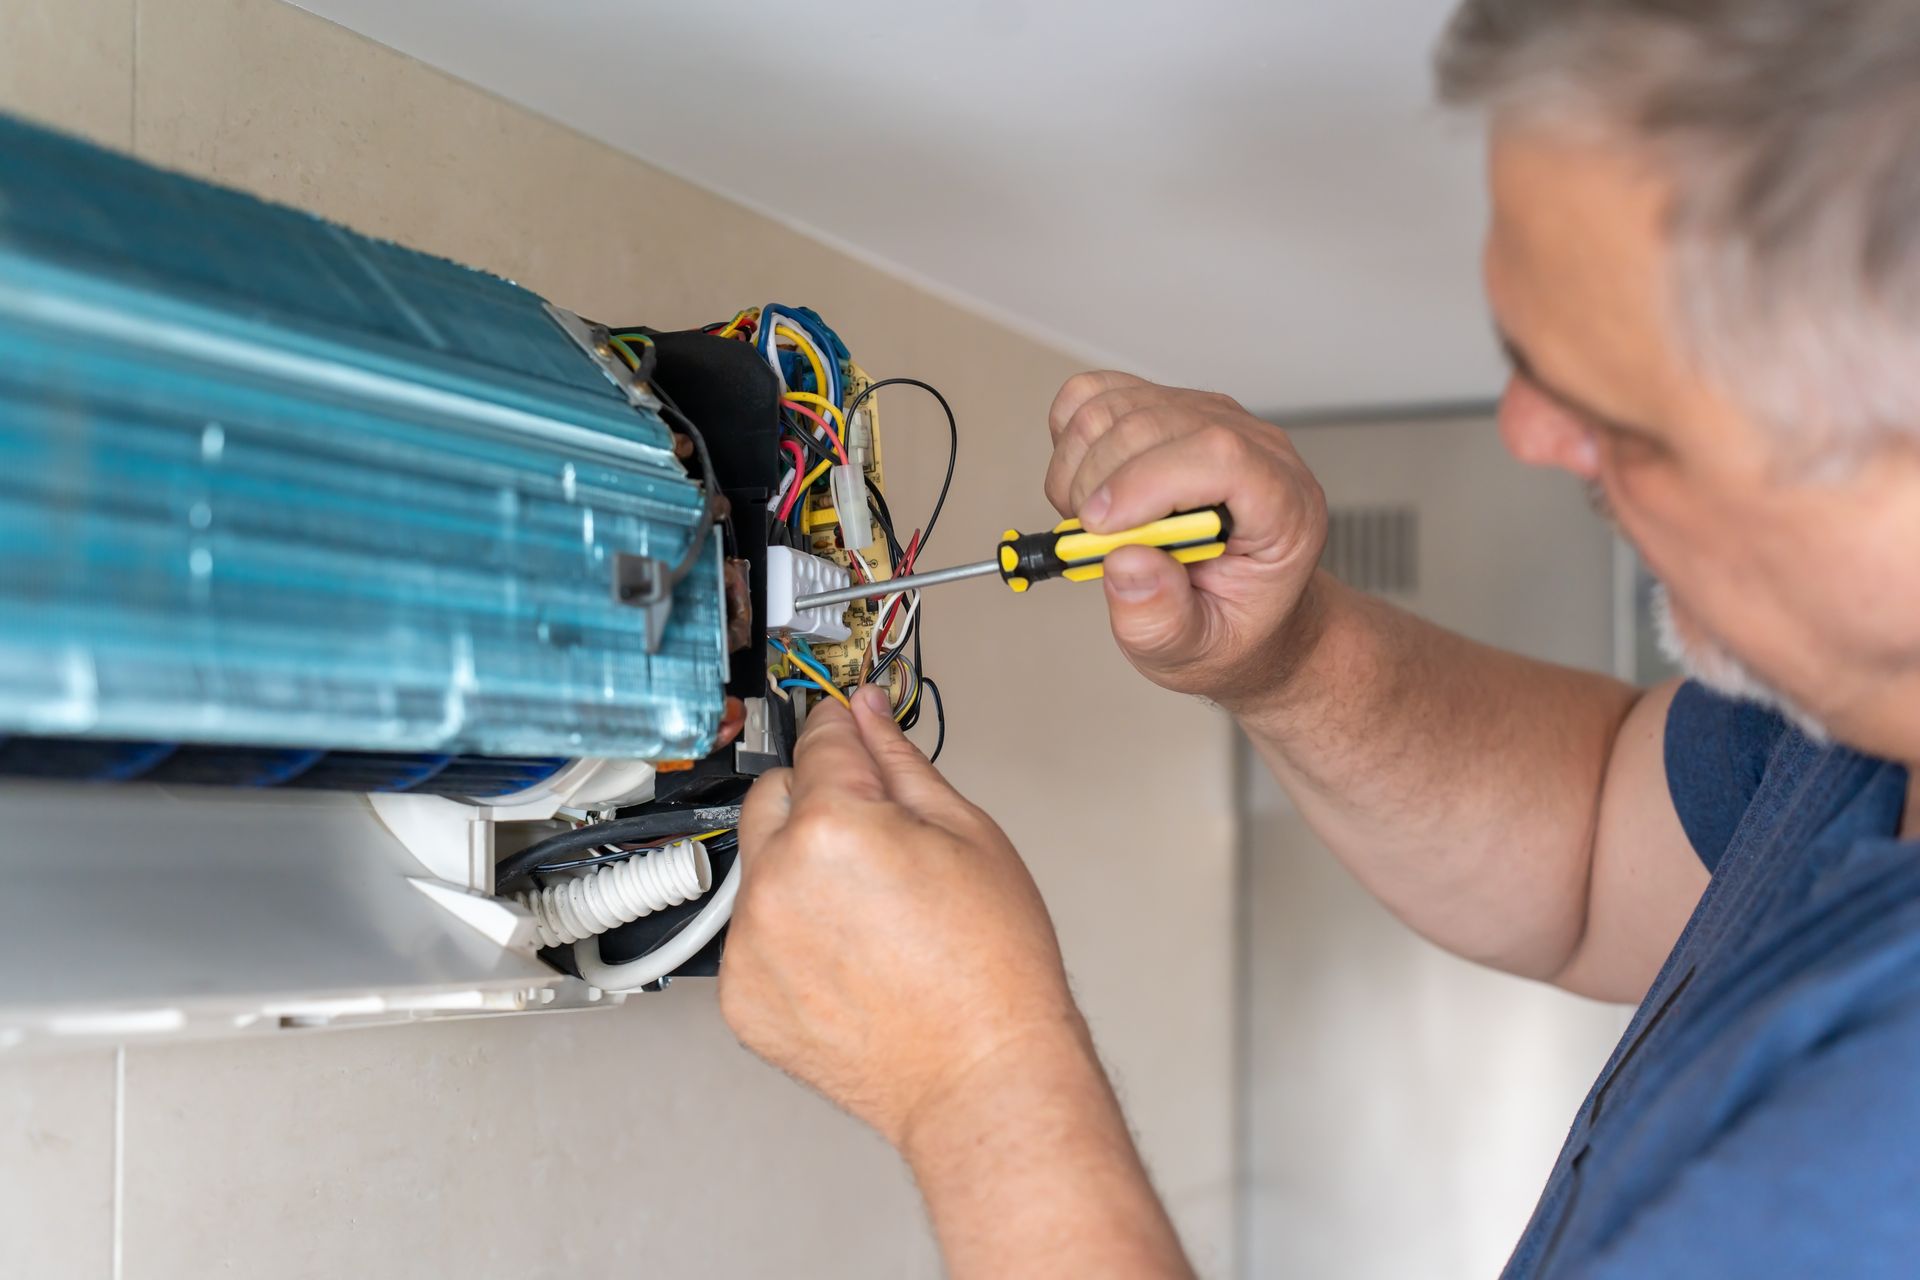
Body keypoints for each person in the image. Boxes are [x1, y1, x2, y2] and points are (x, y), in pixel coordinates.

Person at [719, 1, 1920, 1275]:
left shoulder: (1874, 1165)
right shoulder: (1853, 716)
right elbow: (1590, 847)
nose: (1525, 431)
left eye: (1613, 402)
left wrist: (981, 1079)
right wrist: (1288, 655)